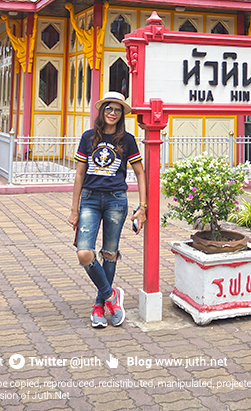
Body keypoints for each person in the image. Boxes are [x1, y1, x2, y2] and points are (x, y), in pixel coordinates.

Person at [68, 91, 147, 328]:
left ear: (122, 114)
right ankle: (112, 295)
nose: (112, 113)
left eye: (117, 110)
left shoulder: (127, 139)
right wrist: (74, 209)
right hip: (90, 200)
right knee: (84, 252)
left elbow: (140, 173)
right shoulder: (88, 137)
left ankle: (99, 306)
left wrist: (142, 207)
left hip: (116, 200)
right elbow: (80, 173)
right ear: (101, 111)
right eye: (108, 109)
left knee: (110, 254)